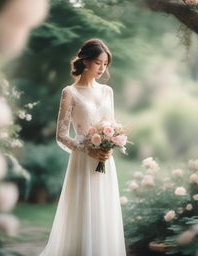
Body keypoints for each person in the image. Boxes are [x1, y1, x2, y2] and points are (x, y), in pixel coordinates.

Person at [38, 38, 126, 256]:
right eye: (98, 63)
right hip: (82, 160)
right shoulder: (69, 92)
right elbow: (61, 135)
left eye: (105, 64)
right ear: (85, 61)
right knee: (84, 211)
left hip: (104, 161)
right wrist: (88, 149)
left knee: (103, 211)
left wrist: (109, 147)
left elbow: (111, 126)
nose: (102, 68)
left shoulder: (107, 92)